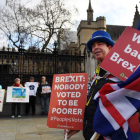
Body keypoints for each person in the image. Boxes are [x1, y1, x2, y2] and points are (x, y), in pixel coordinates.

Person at [65, 30, 126, 140]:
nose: (95, 48)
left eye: (100, 44)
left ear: (110, 48)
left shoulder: (121, 74)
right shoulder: (97, 74)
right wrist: (80, 126)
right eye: (93, 46)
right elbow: (91, 105)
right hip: (91, 134)